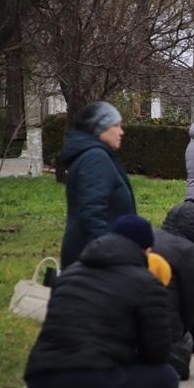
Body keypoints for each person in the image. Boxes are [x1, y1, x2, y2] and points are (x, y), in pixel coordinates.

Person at [6, 215, 176, 388]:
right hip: (94, 383)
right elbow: (157, 353)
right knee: (165, 376)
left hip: (42, 384)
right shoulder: (146, 282)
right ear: (145, 250)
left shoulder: (70, 274)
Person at [58, 101, 135, 268]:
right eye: (116, 125)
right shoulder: (95, 158)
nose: (121, 132)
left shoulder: (95, 154)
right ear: (99, 128)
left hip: (93, 254)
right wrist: (108, 253)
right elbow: (92, 211)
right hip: (93, 260)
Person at [151, 199, 194, 380]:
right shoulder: (188, 250)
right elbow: (192, 298)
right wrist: (183, 329)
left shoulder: (152, 237)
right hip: (168, 327)